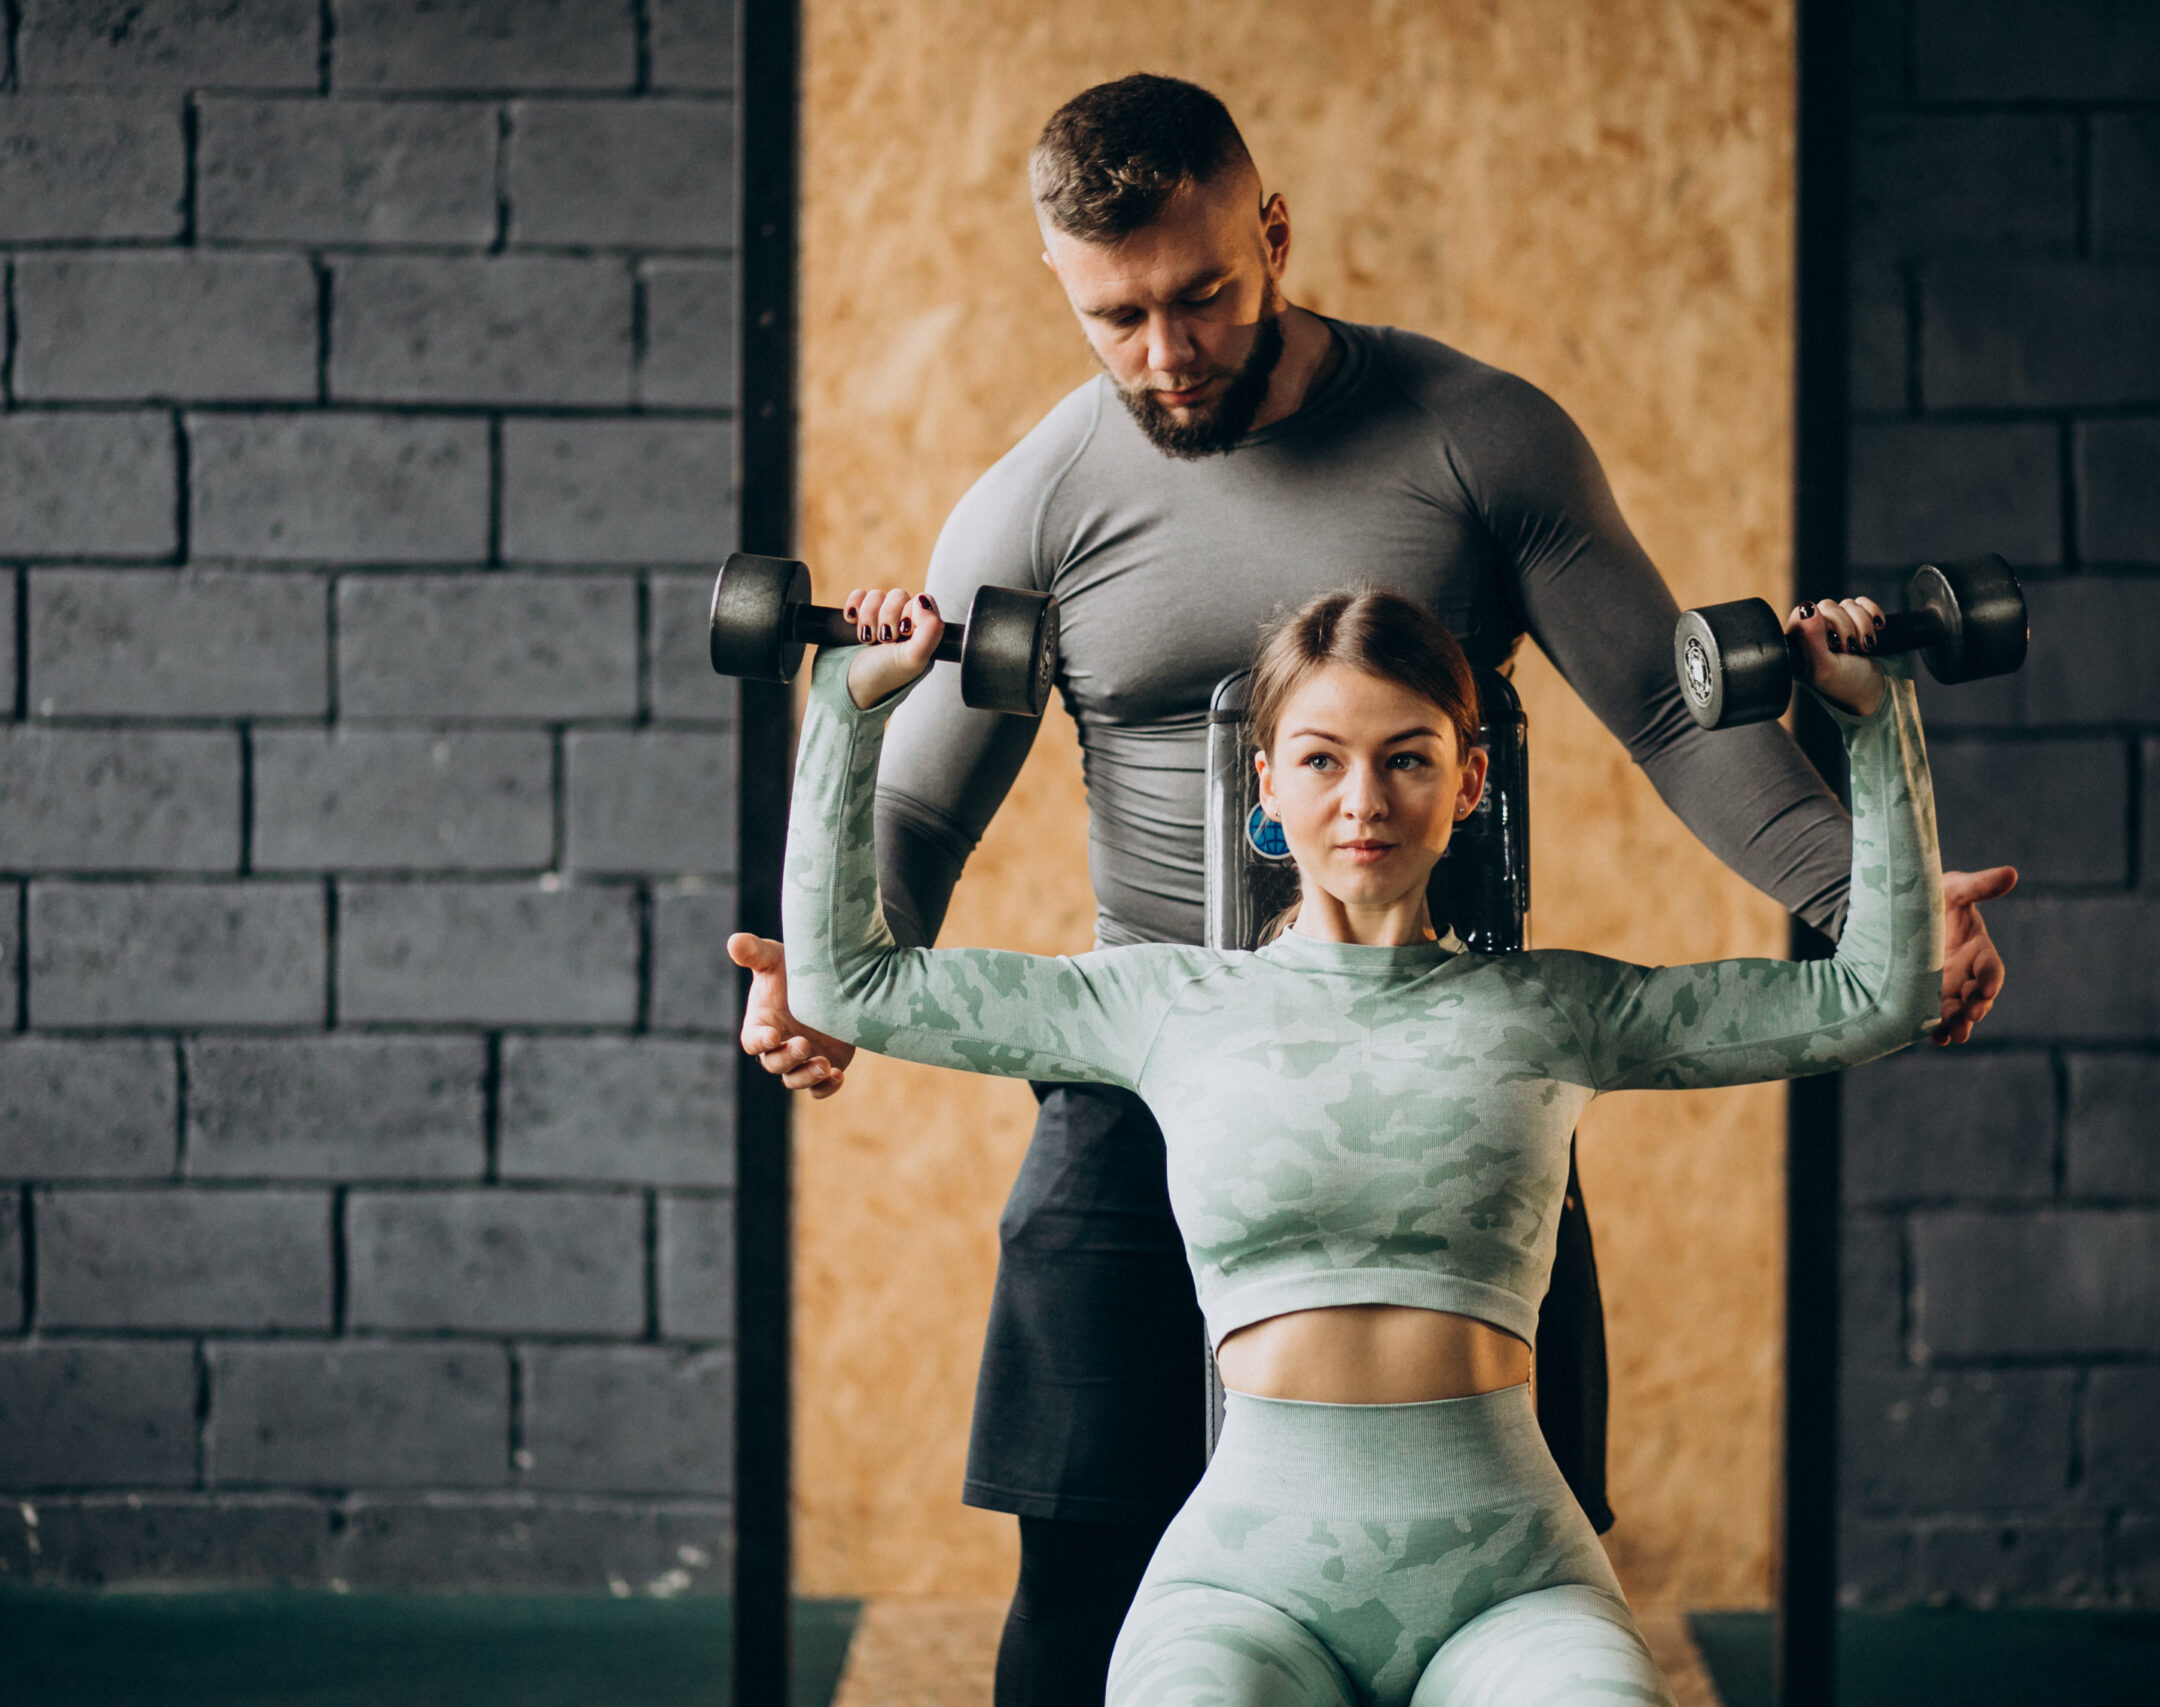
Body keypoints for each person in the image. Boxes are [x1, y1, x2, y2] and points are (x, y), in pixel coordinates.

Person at [728, 74, 2016, 1701]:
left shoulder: (1480, 437)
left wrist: (1866, 897)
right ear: (1062, 282)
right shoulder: (1038, 501)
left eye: (1203, 294)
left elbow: (1667, 711)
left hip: (1444, 1057)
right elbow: (917, 800)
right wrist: (826, 975)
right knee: (1082, 1574)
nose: (1168, 351)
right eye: (1117, 316)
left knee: (1509, 1540)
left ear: (1273, 232)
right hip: (1147, 1063)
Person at [752, 584, 1941, 1705]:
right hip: (1245, 1588)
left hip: (1512, 1583)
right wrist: (849, 703)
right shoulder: (1160, 1004)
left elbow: (1876, 997)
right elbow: (849, 983)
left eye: (1406, 758)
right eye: (1321, 760)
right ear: (1266, 785)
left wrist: (1874, 715)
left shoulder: (1554, 1008)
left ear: (1469, 781)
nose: (1363, 800)